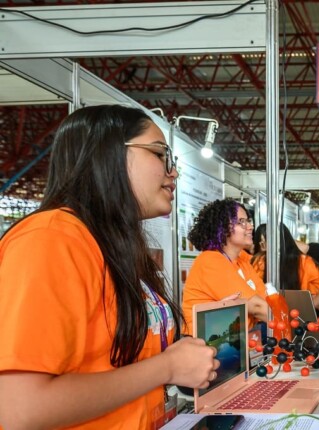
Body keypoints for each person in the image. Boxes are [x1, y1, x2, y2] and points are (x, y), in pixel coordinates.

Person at [0, 105, 218, 429]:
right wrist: (167, 367)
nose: (173, 173)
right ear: (108, 154)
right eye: (160, 155)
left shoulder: (113, 247)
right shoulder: (51, 239)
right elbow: (19, 407)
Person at [182, 199, 269, 335]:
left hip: (236, 340)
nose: (250, 227)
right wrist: (293, 322)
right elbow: (259, 308)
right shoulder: (210, 261)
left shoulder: (241, 261)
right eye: (241, 222)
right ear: (222, 228)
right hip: (205, 344)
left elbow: (265, 299)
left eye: (248, 221)